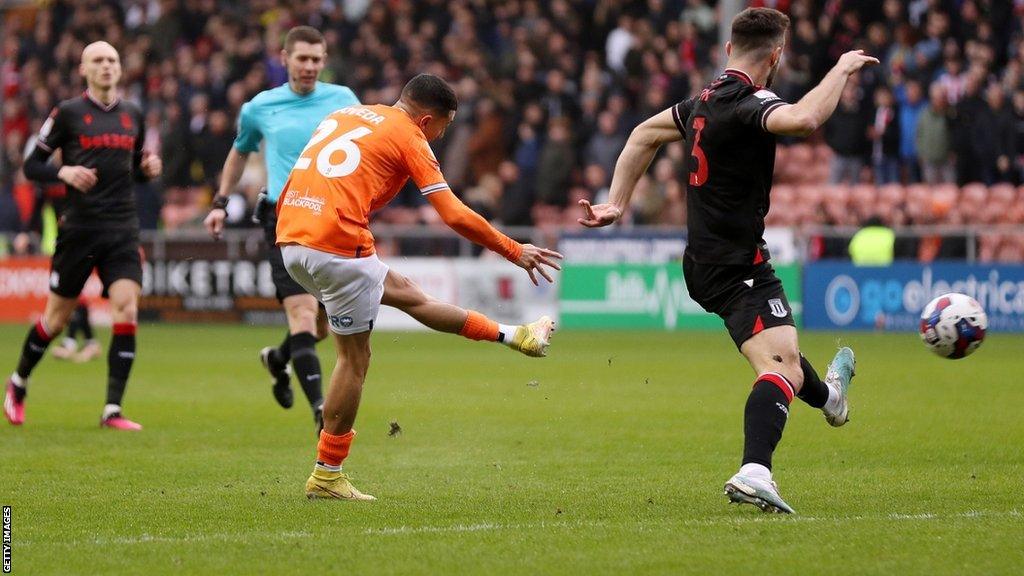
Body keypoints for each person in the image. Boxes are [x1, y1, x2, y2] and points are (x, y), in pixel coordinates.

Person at [578, 8, 875, 514]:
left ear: (727, 50)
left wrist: (616, 203)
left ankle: (832, 401)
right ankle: (755, 471)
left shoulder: (702, 101)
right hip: (737, 263)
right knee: (780, 365)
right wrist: (842, 69)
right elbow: (803, 118)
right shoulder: (748, 102)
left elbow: (641, 136)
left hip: (704, 261)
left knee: (777, 353)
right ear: (776, 56)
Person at [277, 74, 562, 500]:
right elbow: (454, 215)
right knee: (354, 360)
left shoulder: (349, 113)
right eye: (443, 128)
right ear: (428, 120)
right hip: (336, 244)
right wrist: (512, 250)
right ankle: (327, 473)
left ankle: (515, 335)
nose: (440, 136)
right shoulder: (410, 136)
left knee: (409, 294)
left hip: (291, 236)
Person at [203, 27, 360, 432]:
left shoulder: (343, 100)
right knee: (303, 315)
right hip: (282, 218)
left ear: (324, 61)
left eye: (315, 59)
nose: (308, 66)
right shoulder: (261, 107)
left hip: (331, 220)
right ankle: (320, 411)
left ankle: (278, 359)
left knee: (323, 327)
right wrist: (220, 202)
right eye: (301, 58)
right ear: (284, 58)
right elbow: (239, 153)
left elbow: (365, 147)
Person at [4, 41, 161, 429]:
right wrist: (63, 172)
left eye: (112, 59)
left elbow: (135, 168)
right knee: (55, 320)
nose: (107, 66)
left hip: (122, 228)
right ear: (84, 70)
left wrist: (148, 170)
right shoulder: (68, 114)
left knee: (127, 307)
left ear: (120, 68)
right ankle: (18, 382)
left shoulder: (133, 115)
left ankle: (112, 410)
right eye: (98, 60)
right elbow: (31, 165)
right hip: (79, 230)